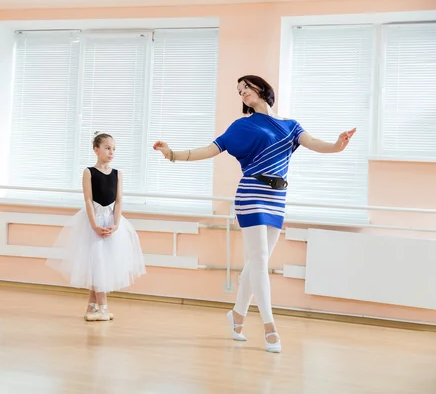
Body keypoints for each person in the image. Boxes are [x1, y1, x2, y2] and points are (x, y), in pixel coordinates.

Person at [153, 75, 355, 353]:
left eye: (245, 88)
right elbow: (210, 149)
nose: (242, 94)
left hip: (277, 196)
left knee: (257, 261)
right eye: (238, 91)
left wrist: (337, 145)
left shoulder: (290, 126)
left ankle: (236, 315)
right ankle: (269, 327)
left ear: (261, 88)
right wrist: (172, 154)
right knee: (259, 260)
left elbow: (316, 143)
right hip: (251, 192)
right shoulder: (241, 126)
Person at [46, 132, 146, 321]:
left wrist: (115, 225)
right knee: (98, 265)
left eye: (114, 149)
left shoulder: (117, 174)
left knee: (102, 265)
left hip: (111, 222)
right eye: (107, 148)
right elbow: (88, 200)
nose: (111, 152)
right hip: (93, 222)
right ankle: (103, 308)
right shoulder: (89, 172)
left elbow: (118, 201)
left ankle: (92, 307)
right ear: (96, 149)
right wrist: (94, 225)